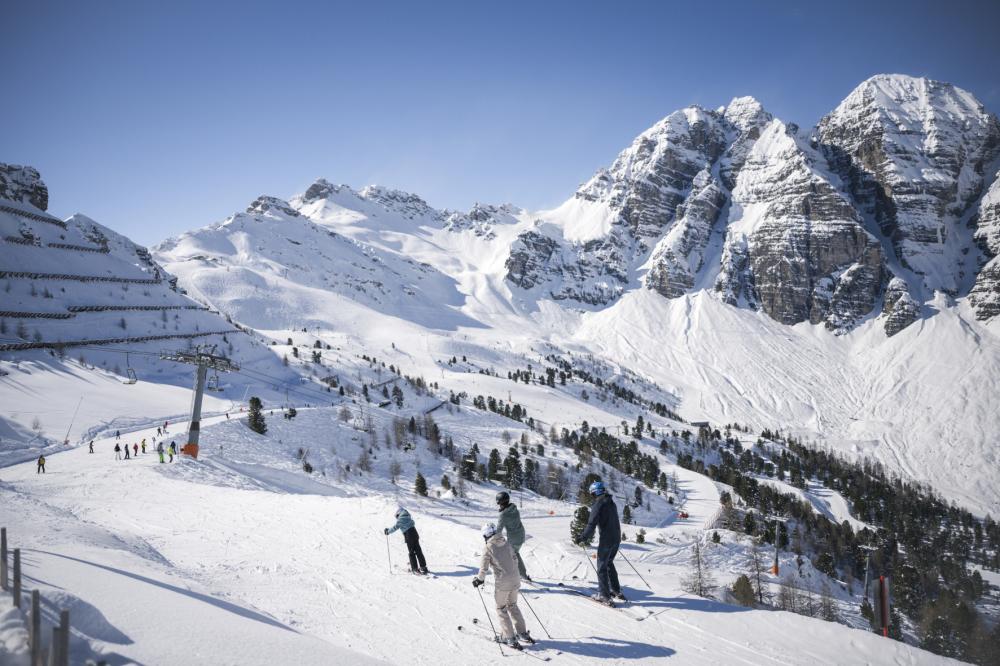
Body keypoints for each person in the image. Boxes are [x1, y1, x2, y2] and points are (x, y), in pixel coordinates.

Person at [472, 522, 533, 649]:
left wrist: (479, 580)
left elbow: (483, 568)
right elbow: (515, 559)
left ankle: (509, 637)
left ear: (486, 535)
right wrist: (513, 574)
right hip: (515, 579)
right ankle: (522, 633)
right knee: (513, 605)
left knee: (501, 608)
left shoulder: (488, 547)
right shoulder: (506, 542)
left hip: (503, 582)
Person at [575, 480, 624, 604]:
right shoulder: (611, 503)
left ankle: (604, 595)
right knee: (609, 563)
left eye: (592, 493)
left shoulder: (598, 505)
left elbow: (591, 524)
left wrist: (582, 537)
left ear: (594, 493)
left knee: (602, 566)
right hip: (616, 538)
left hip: (607, 539)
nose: (591, 496)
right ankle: (616, 590)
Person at [496, 491, 530, 581]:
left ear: (501, 503)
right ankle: (522, 574)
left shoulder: (503, 515)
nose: (499, 505)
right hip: (521, 535)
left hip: (514, 538)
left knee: (510, 555)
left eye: (499, 503)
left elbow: (498, 530)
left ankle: (518, 575)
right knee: (514, 554)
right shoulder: (515, 509)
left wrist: (492, 539)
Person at [384, 507, 428, 574]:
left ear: (399, 514)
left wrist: (388, 531)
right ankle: (423, 567)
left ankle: (415, 569)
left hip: (409, 536)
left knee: (411, 552)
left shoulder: (400, 520)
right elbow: (412, 523)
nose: (397, 518)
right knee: (418, 551)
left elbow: (395, 527)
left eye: (397, 516)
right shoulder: (408, 517)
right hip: (415, 534)